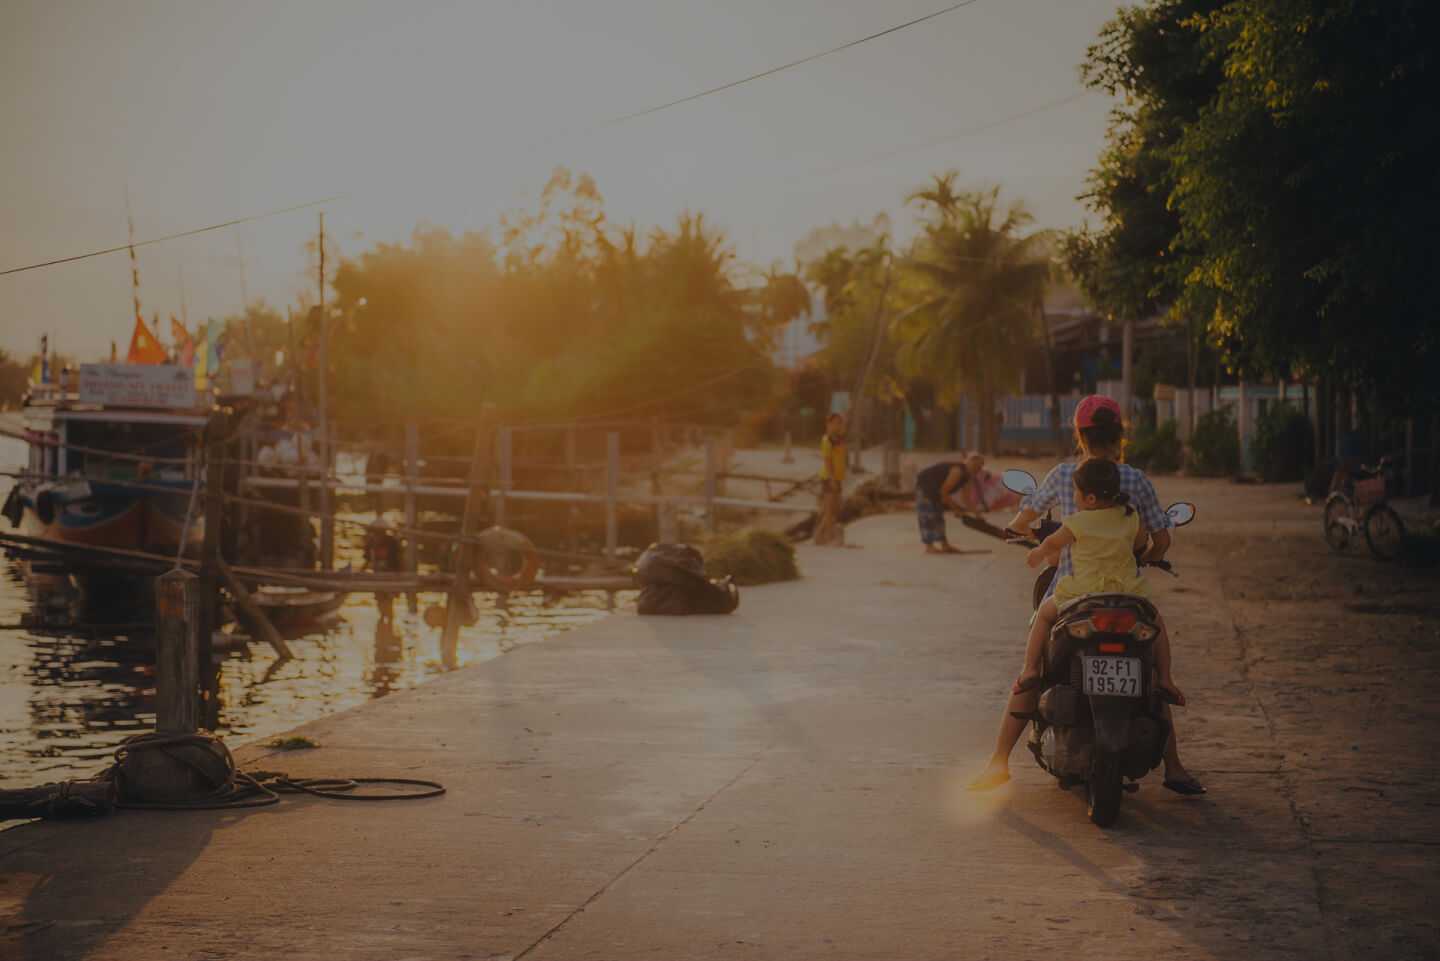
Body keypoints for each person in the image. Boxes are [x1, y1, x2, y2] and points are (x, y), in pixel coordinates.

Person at [969, 394, 1205, 795]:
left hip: (1073, 592)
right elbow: (1161, 541)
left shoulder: (1063, 476)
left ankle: (998, 762)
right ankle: (1175, 767)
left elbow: (1022, 522)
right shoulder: (1135, 481)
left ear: (1079, 434)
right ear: (1119, 435)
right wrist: (1141, 555)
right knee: (1146, 674)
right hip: (1127, 593)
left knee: (1035, 672)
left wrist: (1035, 536)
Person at [1011, 458, 1184, 705]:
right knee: (1156, 620)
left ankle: (1029, 669)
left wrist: (1036, 554)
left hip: (1084, 591)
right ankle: (1166, 678)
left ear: (1090, 499)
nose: (1074, 497)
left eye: (1076, 493)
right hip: (1126, 591)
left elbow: (1052, 543)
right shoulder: (1130, 518)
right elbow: (1139, 546)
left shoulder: (1077, 522)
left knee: (1044, 615)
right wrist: (1145, 556)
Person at [914, 457, 975, 553]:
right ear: (969, 464)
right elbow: (944, 492)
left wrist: (977, 514)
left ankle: (944, 545)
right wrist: (955, 509)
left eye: (979, 468)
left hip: (936, 488)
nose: (977, 470)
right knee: (927, 516)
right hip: (925, 486)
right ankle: (929, 546)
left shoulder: (969, 476)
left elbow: (967, 498)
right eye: (975, 467)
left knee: (939, 516)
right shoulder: (958, 471)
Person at [814, 413, 847, 546]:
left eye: (839, 423)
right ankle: (827, 537)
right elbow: (827, 462)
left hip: (838, 479)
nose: (837, 425)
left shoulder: (839, 439)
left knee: (835, 509)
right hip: (829, 479)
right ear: (828, 424)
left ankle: (818, 537)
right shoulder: (826, 440)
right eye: (834, 423)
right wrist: (832, 479)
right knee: (829, 511)